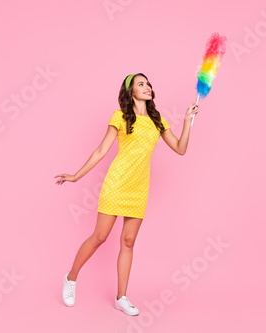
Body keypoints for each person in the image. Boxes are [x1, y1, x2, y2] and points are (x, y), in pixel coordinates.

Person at [54, 73, 199, 316]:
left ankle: (121, 297)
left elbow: (180, 149)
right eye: (141, 84)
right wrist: (77, 175)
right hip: (117, 182)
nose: (147, 87)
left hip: (140, 187)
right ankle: (71, 278)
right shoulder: (120, 116)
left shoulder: (158, 120)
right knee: (100, 237)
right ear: (130, 91)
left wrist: (187, 121)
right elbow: (101, 149)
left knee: (128, 242)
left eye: (148, 83)